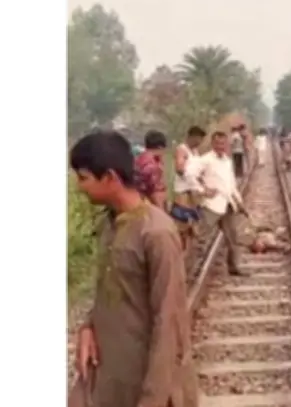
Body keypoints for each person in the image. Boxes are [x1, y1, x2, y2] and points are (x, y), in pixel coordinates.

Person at [68, 131, 197, 407]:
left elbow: (169, 321)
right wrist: (88, 327)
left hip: (143, 380)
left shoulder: (157, 233)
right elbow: (108, 287)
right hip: (108, 373)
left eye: (83, 178)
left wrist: (153, 398)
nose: (79, 187)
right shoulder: (110, 224)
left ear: (110, 178)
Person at [196, 131, 249, 277]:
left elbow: (231, 184)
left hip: (227, 203)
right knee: (201, 237)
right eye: (218, 143)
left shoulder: (227, 161)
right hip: (211, 205)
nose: (221, 146)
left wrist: (239, 202)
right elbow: (190, 176)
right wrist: (202, 190)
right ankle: (191, 269)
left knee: (233, 237)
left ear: (227, 144)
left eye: (223, 143)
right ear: (213, 144)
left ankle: (234, 267)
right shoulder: (204, 160)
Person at [170, 126, 207, 272]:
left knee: (193, 231)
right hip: (184, 195)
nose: (199, 142)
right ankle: (179, 263)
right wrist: (191, 178)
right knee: (182, 229)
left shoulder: (195, 152)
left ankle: (188, 263)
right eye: (198, 139)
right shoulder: (182, 149)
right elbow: (180, 169)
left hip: (194, 196)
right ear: (192, 136)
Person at [134, 130, 168, 210]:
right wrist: (159, 209)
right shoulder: (151, 165)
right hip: (152, 203)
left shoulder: (141, 158)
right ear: (160, 147)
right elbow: (151, 189)